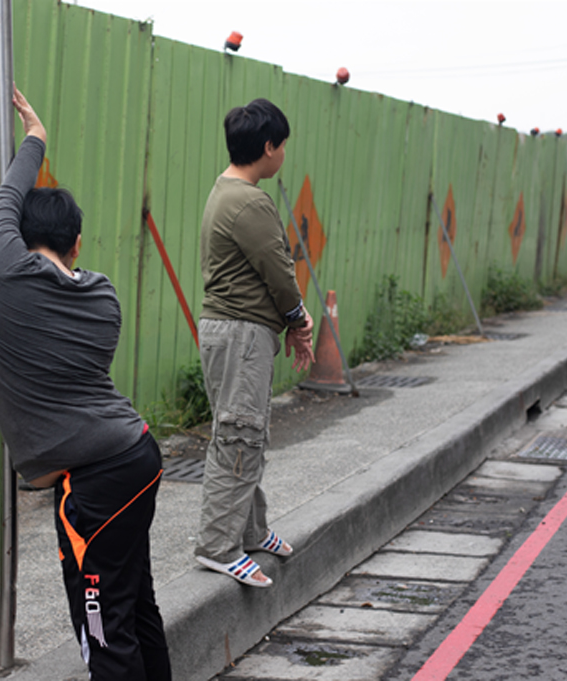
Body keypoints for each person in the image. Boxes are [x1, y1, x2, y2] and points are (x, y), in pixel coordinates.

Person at [0, 85, 171, 680]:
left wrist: (35, 137)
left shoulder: (1, 272)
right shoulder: (102, 295)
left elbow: (8, 196)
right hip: (134, 458)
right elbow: (17, 215)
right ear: (77, 243)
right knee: (135, 607)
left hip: (97, 485)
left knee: (103, 633)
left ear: (18, 237)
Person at [194, 98, 315, 588]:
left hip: (235, 332)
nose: (284, 154)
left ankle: (251, 531)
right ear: (268, 147)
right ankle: (218, 547)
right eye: (282, 145)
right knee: (240, 437)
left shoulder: (225, 192)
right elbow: (278, 271)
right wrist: (299, 320)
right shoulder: (250, 201)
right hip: (241, 333)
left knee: (244, 433)